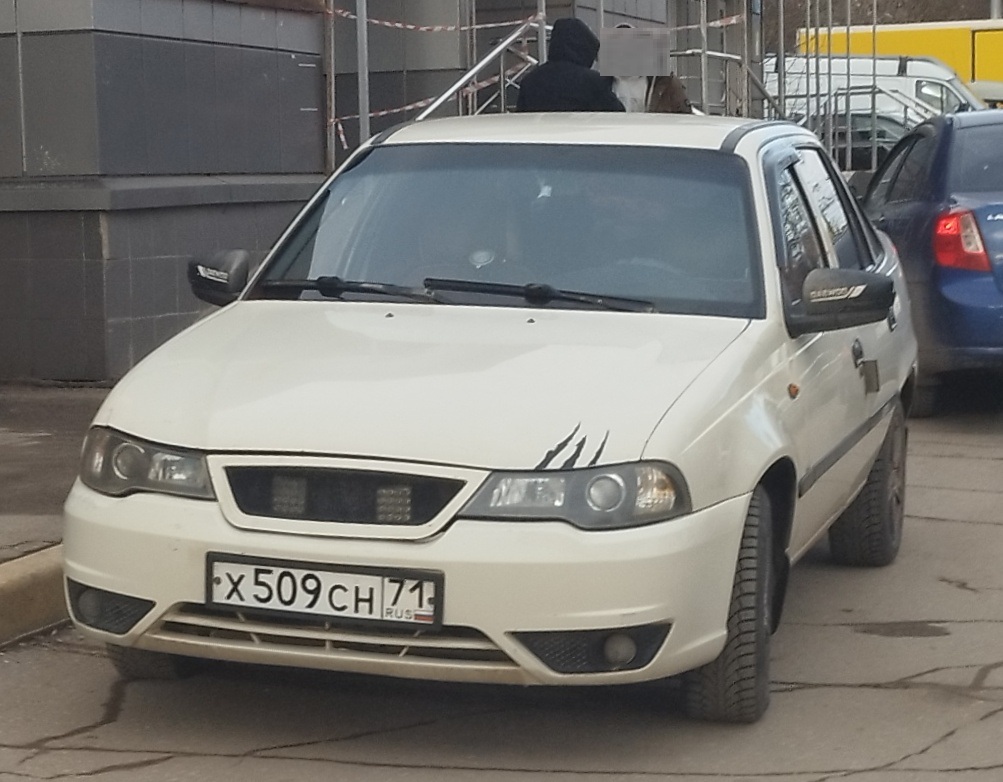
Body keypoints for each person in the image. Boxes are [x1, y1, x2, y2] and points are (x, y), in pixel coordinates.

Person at [516, 18, 625, 112]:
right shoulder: (593, 82)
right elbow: (618, 114)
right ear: (584, 49)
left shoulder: (530, 81)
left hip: (538, 134)